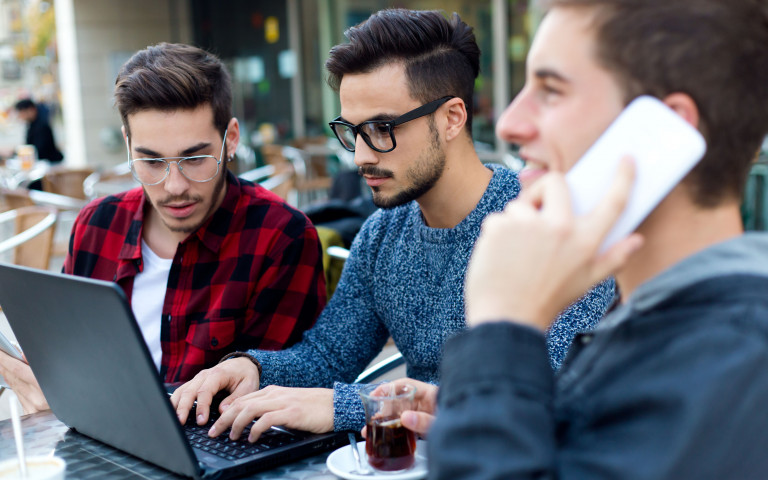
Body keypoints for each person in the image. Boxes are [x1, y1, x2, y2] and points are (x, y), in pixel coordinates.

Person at [170, 9, 614, 443]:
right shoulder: (384, 232)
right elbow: (330, 354)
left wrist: (345, 406)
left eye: (383, 128)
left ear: (452, 118)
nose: (361, 156)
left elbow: (546, 400)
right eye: (352, 131)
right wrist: (252, 368)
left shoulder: (548, 229)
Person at [392, 0, 768, 477]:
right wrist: (490, 405)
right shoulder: (676, 326)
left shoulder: (733, 364)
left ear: (665, 131)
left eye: (550, 90)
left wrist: (500, 332)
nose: (508, 123)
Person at [0, 43, 327, 414]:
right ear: (128, 145)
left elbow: (271, 399)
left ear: (231, 138)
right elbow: (69, 355)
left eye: (195, 158)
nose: (174, 186)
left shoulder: (281, 236)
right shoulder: (96, 225)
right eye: (151, 161)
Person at [14, 98, 63, 163]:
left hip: (49, 163)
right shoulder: (31, 125)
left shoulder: (42, 125)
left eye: (21, 113)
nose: (20, 116)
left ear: (30, 110)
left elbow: (39, 150)